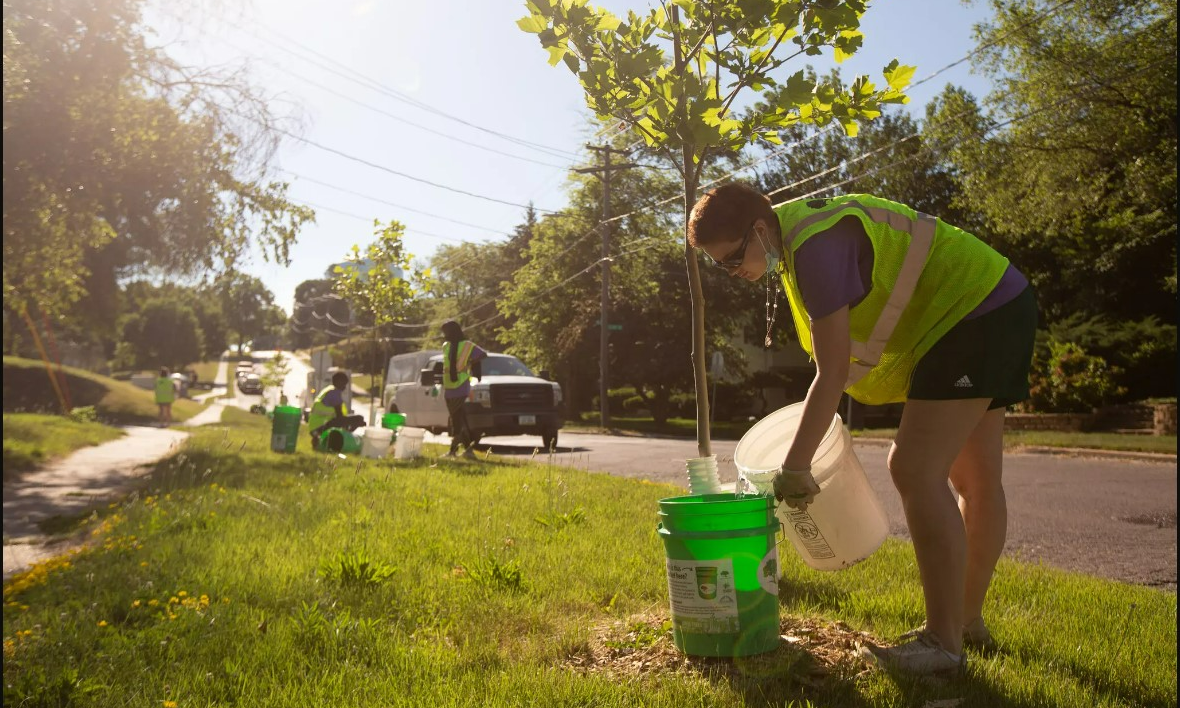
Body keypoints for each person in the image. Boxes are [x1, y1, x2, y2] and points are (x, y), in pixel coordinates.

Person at [687, 184, 1037, 676]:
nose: (731, 274)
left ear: (758, 231)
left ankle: (943, 645)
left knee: (914, 468)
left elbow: (831, 373)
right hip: (999, 298)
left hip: (972, 312)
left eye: (729, 260)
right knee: (975, 481)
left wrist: (794, 467)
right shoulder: (796, 234)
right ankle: (965, 623)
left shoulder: (814, 248)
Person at [440, 320, 487, 459]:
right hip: (449, 385)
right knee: (460, 418)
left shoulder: (467, 345)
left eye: (446, 331)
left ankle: (453, 451)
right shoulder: (446, 346)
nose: (444, 335)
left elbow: (482, 355)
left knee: (456, 419)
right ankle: (468, 450)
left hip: (461, 384)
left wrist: (470, 365)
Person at [306, 371, 366, 451]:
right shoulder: (334, 393)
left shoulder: (328, 390)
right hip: (320, 426)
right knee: (358, 419)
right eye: (344, 384)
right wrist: (356, 423)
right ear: (338, 382)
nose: (345, 387)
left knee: (351, 420)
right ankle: (327, 439)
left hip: (315, 427)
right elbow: (340, 416)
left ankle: (321, 439)